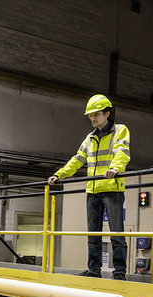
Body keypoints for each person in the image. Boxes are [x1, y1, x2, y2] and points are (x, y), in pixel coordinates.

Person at [47, 94, 130, 280]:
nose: (92, 118)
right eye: (90, 115)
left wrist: (115, 168)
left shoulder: (120, 131)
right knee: (93, 234)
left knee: (117, 233)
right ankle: (94, 270)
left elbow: (122, 153)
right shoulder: (90, 138)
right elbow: (77, 160)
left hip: (112, 189)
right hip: (92, 191)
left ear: (107, 114)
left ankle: (119, 272)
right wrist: (58, 174)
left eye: (96, 114)